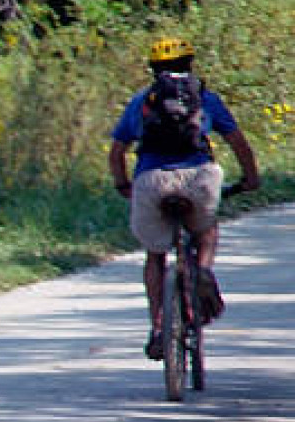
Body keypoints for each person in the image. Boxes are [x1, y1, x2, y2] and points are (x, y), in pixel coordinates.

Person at [108, 37, 260, 360]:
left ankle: (159, 327)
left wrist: (124, 185)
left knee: (155, 255)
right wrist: (250, 178)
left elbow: (117, 151)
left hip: (151, 181)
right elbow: (239, 143)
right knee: (206, 231)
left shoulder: (142, 102)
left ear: (154, 70)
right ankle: (203, 269)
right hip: (199, 179)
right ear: (189, 65)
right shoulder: (206, 100)